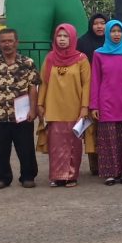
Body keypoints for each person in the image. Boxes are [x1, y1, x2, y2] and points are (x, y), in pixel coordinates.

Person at [0, 27, 39, 189]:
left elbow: (33, 88)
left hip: (22, 115)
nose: (7, 44)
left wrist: (33, 109)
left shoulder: (27, 63)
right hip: (0, 115)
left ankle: (28, 176)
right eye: (3, 41)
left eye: (10, 41)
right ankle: (2, 177)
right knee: (1, 149)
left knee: (26, 147)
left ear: (16, 43)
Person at [37, 23, 90, 187]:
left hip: (74, 107)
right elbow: (44, 82)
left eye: (65, 36)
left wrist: (84, 107)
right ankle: (56, 176)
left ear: (72, 38)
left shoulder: (81, 59)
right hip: (53, 107)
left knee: (73, 144)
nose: (61, 39)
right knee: (56, 144)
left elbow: (87, 84)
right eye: (59, 36)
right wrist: (40, 103)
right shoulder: (50, 58)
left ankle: (71, 176)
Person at [90, 20, 122, 185]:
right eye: (113, 31)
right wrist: (94, 105)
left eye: (119, 31)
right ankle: (110, 173)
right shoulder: (99, 54)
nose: (116, 34)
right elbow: (95, 80)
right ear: (107, 33)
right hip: (106, 102)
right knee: (108, 139)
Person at [76, 13, 106, 175]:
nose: (99, 26)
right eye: (96, 23)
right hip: (88, 89)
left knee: (106, 128)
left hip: (108, 91)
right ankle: (95, 165)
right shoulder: (82, 42)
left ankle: (108, 161)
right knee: (91, 128)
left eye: (103, 23)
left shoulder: (112, 41)